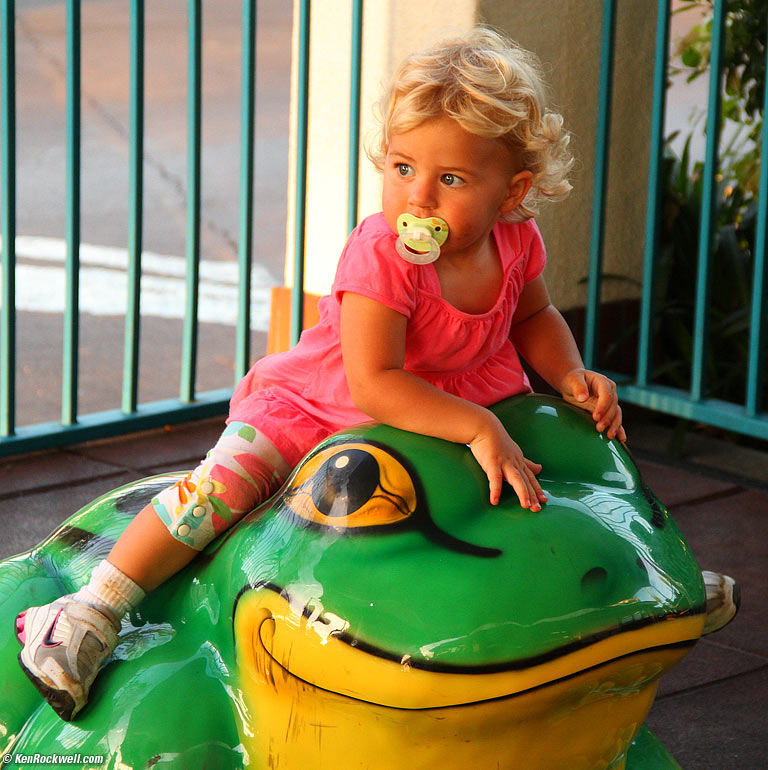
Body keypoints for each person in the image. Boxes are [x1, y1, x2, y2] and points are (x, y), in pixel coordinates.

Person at [14, 28, 728, 723]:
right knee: (219, 490)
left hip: (463, 396)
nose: (418, 199)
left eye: (450, 179)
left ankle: (645, 579)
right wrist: (476, 424)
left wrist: (571, 375)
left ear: (513, 193)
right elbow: (375, 384)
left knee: (574, 440)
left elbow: (534, 317)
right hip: (326, 405)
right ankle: (91, 610)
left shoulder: (516, 240)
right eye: (402, 168)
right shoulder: (382, 256)